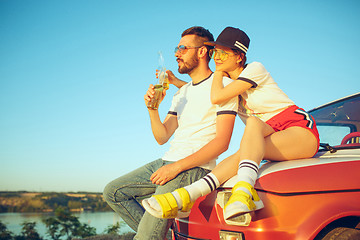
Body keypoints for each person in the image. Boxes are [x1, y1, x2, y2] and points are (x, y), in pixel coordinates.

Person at [143, 26, 320, 221]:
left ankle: (243, 192)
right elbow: (202, 94)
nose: (216, 57)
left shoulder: (255, 69)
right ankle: (187, 196)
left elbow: (216, 96)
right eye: (215, 52)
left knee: (252, 124)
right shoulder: (230, 82)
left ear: (239, 57)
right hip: (270, 133)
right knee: (244, 152)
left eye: (223, 53)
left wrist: (217, 74)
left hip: (299, 130)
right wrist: (177, 82)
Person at [103, 26, 239, 240]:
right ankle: (158, 234)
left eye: (183, 48)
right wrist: (152, 109)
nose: (176, 53)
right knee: (113, 192)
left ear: (202, 52)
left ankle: (151, 234)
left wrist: (176, 168)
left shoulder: (224, 86)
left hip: (194, 168)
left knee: (146, 236)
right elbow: (162, 136)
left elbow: (222, 143)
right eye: (177, 48)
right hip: (167, 161)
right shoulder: (182, 92)